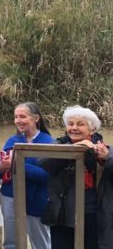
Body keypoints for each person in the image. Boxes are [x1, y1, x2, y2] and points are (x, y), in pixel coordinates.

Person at [40, 106, 107, 249]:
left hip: (94, 212)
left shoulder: (103, 148)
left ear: (92, 129)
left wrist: (104, 156)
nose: (74, 128)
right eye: (70, 124)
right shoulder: (58, 145)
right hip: (63, 214)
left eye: (80, 124)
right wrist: (75, 148)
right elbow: (45, 163)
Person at [0, 102, 52, 249]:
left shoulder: (48, 142)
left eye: (22, 116)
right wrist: (1, 167)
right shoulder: (12, 140)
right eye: (16, 117)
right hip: (10, 196)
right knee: (11, 242)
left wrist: (17, 164)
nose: (18, 120)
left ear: (36, 118)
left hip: (37, 198)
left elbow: (46, 175)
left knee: (41, 242)